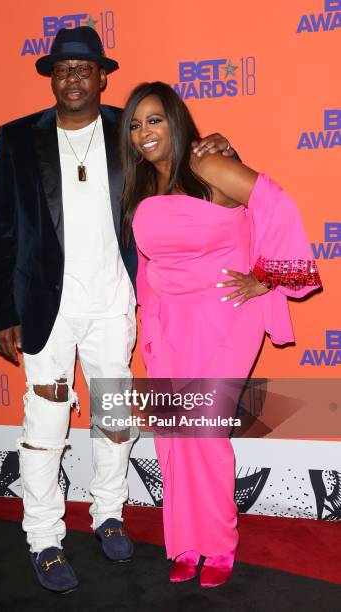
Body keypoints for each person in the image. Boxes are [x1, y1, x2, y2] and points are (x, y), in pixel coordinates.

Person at [0, 28, 234, 593]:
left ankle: (108, 513)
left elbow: (184, 162)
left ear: (102, 77)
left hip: (116, 300)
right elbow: (0, 229)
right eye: (63, 68)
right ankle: (44, 538)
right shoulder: (18, 138)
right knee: (45, 423)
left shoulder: (131, 128)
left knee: (114, 420)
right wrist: (2, 312)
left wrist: (218, 146)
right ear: (51, 76)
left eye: (85, 68)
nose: (73, 77)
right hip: (44, 305)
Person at [120, 81, 322, 588]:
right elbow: (146, 260)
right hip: (167, 321)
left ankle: (220, 545)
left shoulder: (206, 166)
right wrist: (148, 321)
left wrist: (269, 276)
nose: (145, 133)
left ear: (175, 120)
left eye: (155, 120)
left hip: (226, 314)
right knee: (174, 434)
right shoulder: (141, 184)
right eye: (137, 124)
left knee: (205, 432)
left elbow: (275, 202)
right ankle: (186, 543)